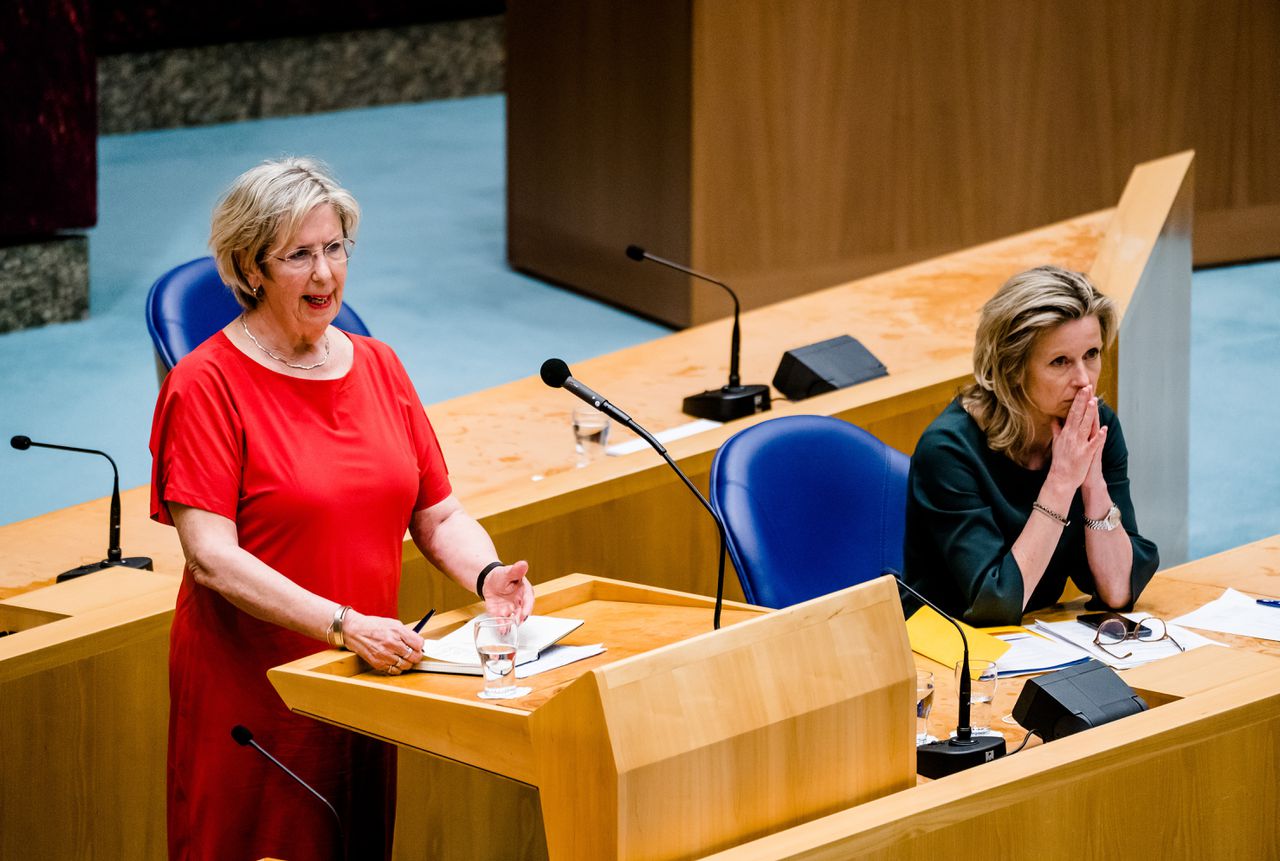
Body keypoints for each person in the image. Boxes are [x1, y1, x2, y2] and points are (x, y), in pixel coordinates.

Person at [149, 156, 534, 861]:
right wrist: (342, 623)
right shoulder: (204, 385)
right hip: (259, 703)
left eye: (334, 249)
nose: (325, 274)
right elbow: (211, 558)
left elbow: (439, 515)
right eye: (299, 255)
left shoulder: (379, 365)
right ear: (249, 265)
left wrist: (487, 577)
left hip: (365, 683)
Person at [901, 265, 1158, 626]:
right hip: (947, 649)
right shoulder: (949, 450)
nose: (1084, 380)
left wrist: (1093, 484)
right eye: (1060, 362)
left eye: (1092, 354)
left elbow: (1118, 590)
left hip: (1034, 638)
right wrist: (1061, 483)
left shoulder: (1097, 427)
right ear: (1013, 368)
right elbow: (995, 602)